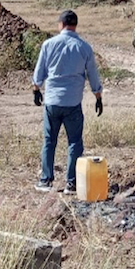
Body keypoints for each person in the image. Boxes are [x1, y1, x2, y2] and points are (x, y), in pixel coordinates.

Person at [32, 10, 103, 193]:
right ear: (75, 25)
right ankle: (71, 183)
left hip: (52, 102)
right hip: (73, 102)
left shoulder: (48, 44)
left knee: (49, 141)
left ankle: (46, 180)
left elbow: (39, 72)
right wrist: (98, 96)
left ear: (61, 24)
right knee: (74, 142)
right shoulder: (84, 47)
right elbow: (92, 74)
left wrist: (36, 90)